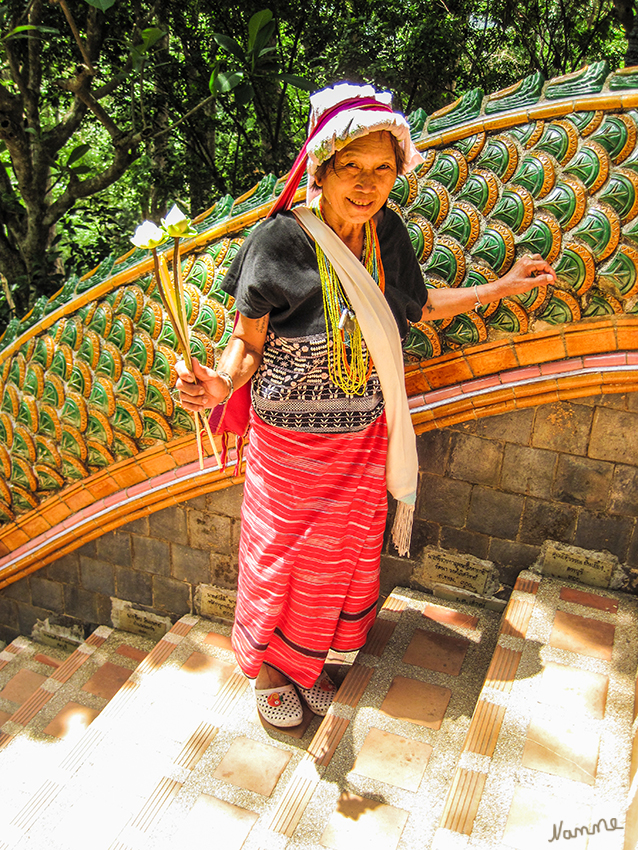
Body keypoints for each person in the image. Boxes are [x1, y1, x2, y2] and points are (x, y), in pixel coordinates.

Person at [176, 82, 557, 728]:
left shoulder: (386, 235)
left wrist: (503, 285)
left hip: (361, 441)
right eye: (351, 167)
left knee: (341, 557)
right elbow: (246, 345)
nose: (366, 182)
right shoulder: (279, 242)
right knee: (281, 559)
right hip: (291, 449)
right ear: (319, 170)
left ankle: (309, 661)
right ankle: (272, 669)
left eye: (382, 169)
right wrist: (218, 383)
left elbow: (422, 305)